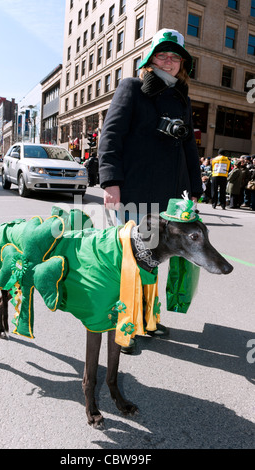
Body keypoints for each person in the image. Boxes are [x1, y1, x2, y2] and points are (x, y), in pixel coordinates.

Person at [98, 28, 203, 350]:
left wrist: (194, 189)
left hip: (169, 197)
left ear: (182, 64)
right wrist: (110, 181)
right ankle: (123, 326)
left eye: (175, 57)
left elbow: (188, 148)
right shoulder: (132, 87)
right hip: (132, 190)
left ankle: (146, 317)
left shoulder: (182, 97)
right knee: (130, 261)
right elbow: (111, 134)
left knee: (152, 259)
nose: (168, 61)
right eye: (162, 54)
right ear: (150, 58)